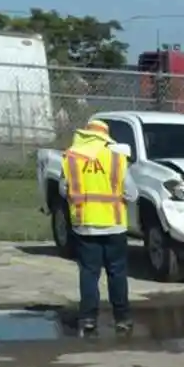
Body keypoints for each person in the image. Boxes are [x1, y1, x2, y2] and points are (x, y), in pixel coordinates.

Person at [62, 120, 132, 335]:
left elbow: (63, 189)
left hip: (85, 225)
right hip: (114, 225)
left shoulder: (72, 158)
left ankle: (88, 319)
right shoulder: (116, 158)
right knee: (117, 273)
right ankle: (122, 318)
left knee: (89, 273)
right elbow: (132, 193)